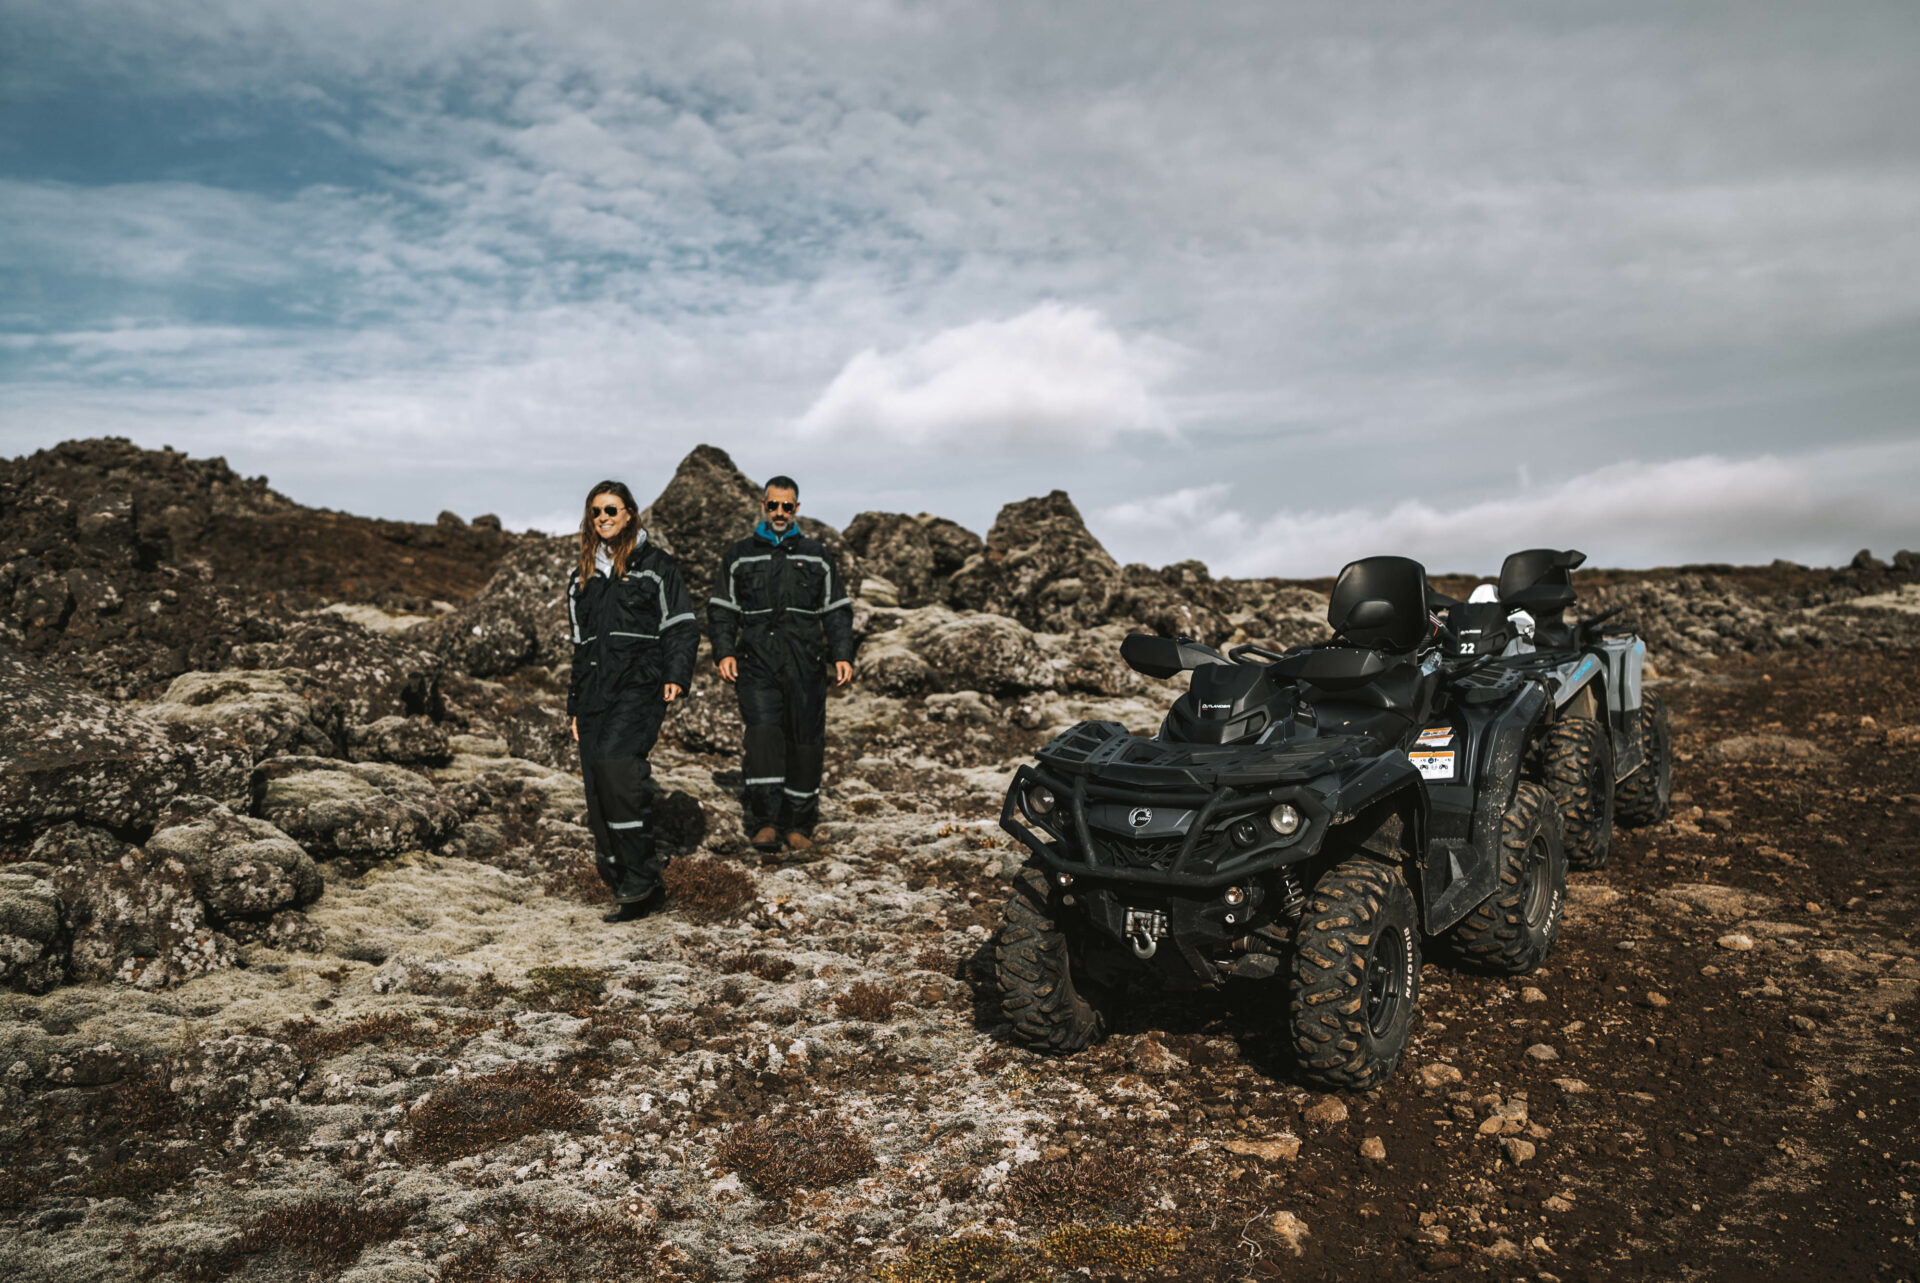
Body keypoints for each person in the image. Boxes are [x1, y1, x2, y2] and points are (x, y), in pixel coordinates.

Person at [567, 480, 698, 921]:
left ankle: (643, 884)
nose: (603, 518)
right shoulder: (580, 577)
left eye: (611, 510)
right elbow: (579, 645)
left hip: (640, 687)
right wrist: (573, 706)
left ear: (629, 514)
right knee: (596, 784)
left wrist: (676, 675)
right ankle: (622, 878)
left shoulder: (657, 567)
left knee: (616, 767)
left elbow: (680, 624)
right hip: (593, 695)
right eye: (596, 512)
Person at [708, 475, 855, 856]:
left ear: (797, 509)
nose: (779, 512)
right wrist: (724, 651)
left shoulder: (817, 555)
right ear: (762, 506)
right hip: (756, 664)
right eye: (773, 505)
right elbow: (722, 609)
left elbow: (837, 609)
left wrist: (842, 653)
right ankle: (765, 823)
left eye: (786, 506)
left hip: (806, 664)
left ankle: (798, 825)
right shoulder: (739, 554)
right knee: (763, 738)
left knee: (806, 743)